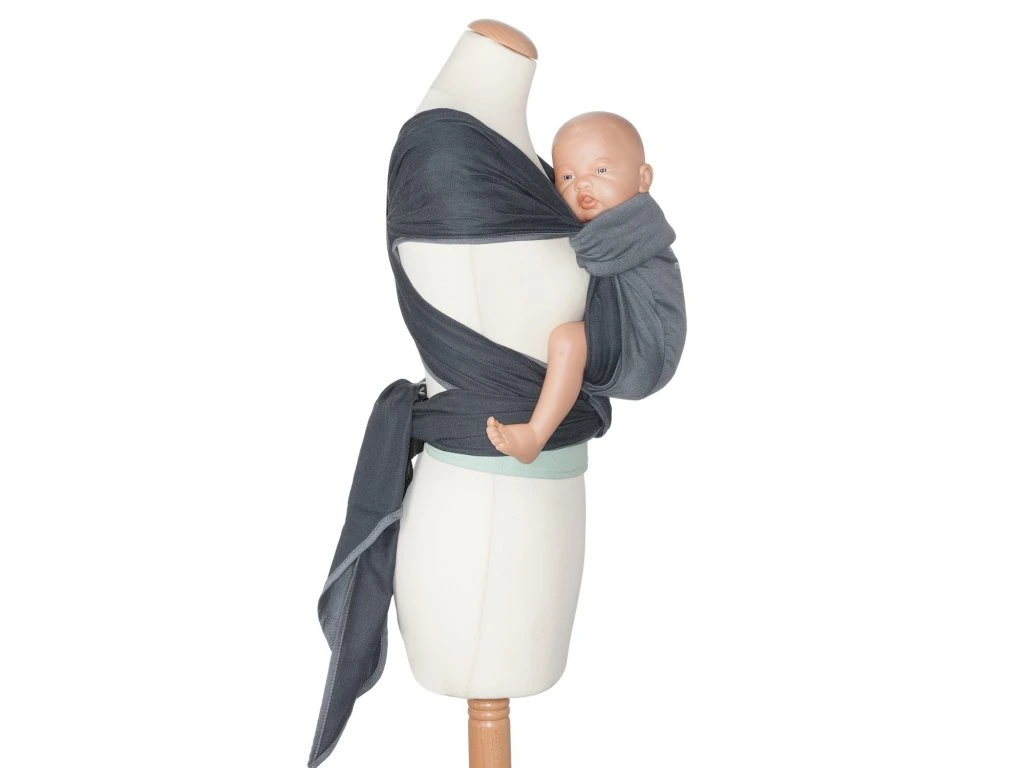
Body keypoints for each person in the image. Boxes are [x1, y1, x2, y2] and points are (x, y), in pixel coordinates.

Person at [486, 110, 656, 463]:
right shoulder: (609, 225)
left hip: (644, 348)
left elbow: (585, 253)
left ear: (643, 179)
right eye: (566, 176)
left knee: (569, 340)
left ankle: (535, 435)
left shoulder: (636, 223)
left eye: (601, 171)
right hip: (625, 339)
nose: (581, 185)